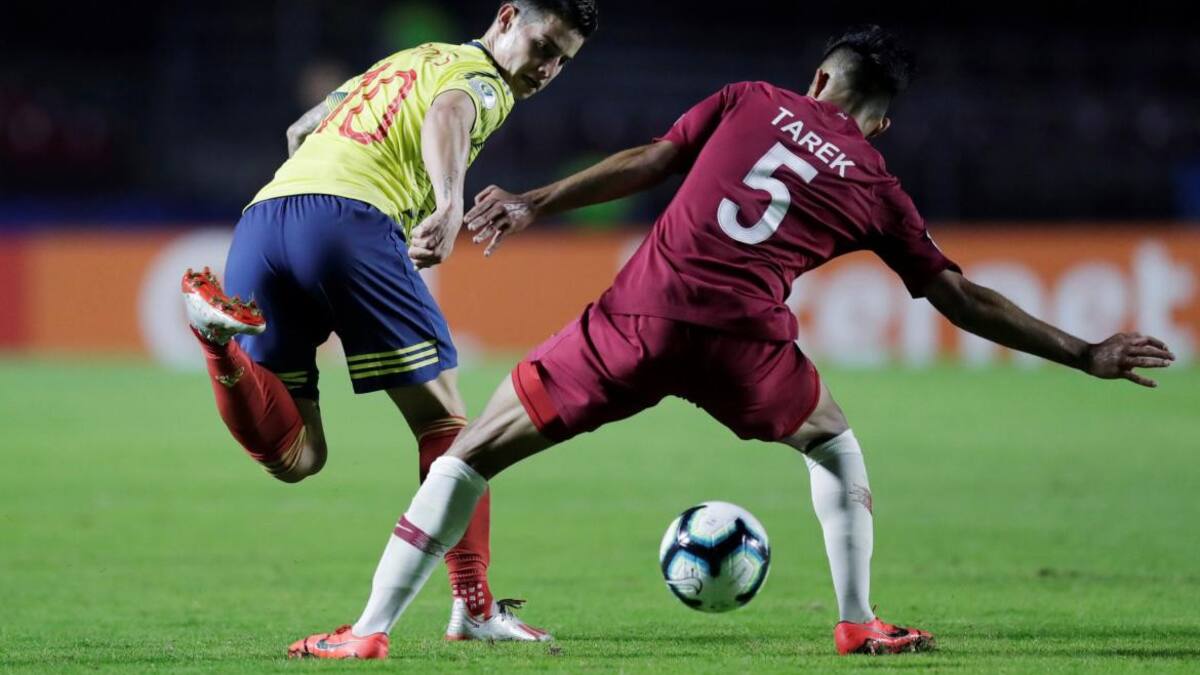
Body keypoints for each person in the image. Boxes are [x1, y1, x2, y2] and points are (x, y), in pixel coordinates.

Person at [287, 25, 1175, 658]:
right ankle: (858, 619)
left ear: (820, 81)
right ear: (879, 120)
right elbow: (958, 295)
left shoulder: (753, 97)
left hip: (637, 318)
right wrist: (1085, 352)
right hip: (744, 343)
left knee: (466, 456)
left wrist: (533, 202)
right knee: (833, 445)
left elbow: (652, 159)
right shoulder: (876, 181)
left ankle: (367, 630)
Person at [179, 0, 597, 651]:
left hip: (263, 221)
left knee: (297, 456)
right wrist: (449, 200)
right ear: (508, 16)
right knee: (452, 426)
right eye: (544, 45)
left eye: (563, 61)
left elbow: (300, 129)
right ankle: (475, 606)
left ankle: (217, 347)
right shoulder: (481, 76)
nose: (547, 68)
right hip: (350, 221)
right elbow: (449, 113)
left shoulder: (405, 60)